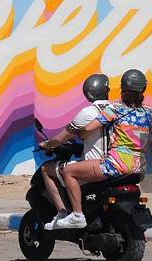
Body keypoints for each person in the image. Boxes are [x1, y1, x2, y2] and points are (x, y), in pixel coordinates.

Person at [41, 69, 152, 229]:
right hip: (139, 168)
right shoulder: (149, 112)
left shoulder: (116, 108)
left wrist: (81, 133)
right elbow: (149, 135)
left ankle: (77, 215)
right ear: (143, 89)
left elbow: (89, 128)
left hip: (117, 165)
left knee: (68, 172)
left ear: (122, 89)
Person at [39, 74, 111, 230]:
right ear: (107, 90)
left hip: (95, 168)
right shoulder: (117, 110)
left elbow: (61, 138)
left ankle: (65, 214)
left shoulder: (88, 113)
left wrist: (47, 144)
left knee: (47, 169)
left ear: (88, 93)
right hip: (116, 165)